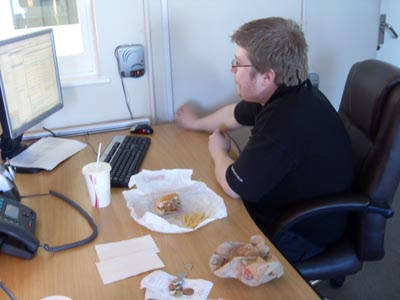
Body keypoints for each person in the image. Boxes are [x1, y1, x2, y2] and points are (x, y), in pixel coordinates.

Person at [175, 17, 354, 262]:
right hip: (287, 205)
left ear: (267, 77)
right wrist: (195, 123)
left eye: (238, 64)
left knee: (201, 245)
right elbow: (233, 114)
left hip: (300, 232)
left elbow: (233, 187)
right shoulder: (287, 91)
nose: (232, 70)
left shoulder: (286, 121)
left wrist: (219, 152)